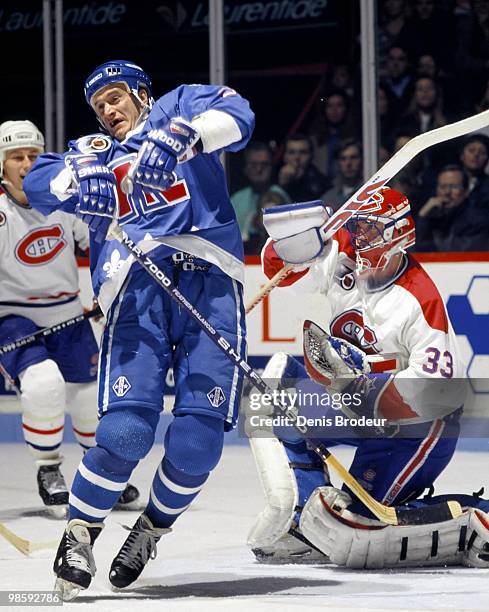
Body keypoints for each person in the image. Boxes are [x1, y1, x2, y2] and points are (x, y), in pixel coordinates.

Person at [24, 60, 254, 600]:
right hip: (136, 293)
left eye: (114, 96)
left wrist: (182, 137)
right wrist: (76, 176)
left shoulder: (180, 108)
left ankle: (150, 529)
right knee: (126, 431)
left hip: (212, 286)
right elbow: (38, 183)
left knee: (198, 442)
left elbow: (239, 115)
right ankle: (80, 533)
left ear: (142, 94)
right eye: (98, 104)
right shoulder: (93, 152)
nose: (107, 109)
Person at [245, 187, 489, 569]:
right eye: (357, 228)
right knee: (280, 407)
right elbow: (275, 268)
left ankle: (476, 513)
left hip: (418, 429)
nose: (359, 239)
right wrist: (297, 240)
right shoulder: (343, 253)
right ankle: (302, 526)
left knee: (363, 521)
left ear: (399, 237)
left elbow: (434, 393)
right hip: (361, 409)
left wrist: (357, 386)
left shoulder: (419, 299)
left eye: (371, 232)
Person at [0, 120, 139, 519]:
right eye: (16, 157)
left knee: (89, 400)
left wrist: (108, 286)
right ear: (2, 165)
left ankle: (101, 475)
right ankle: (49, 470)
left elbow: (103, 240)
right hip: (15, 318)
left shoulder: (63, 202)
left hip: (67, 313)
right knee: (44, 385)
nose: (26, 164)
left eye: (32, 155)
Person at [416, 164, 489, 251]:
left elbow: (451, 254)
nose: (447, 192)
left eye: (454, 187)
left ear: (466, 191)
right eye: (443, 187)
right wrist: (423, 216)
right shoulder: (432, 216)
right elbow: (413, 249)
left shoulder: (478, 220)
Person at [230, 141, 288, 244]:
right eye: (253, 164)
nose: (259, 169)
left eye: (264, 164)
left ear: (272, 167)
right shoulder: (236, 199)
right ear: (246, 168)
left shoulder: (280, 195)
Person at [277, 133, 329, 202]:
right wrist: (281, 185)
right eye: (291, 152)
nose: (297, 157)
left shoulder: (322, 184)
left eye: (303, 152)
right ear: (284, 156)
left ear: (311, 156)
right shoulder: (271, 177)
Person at [321, 139, 363, 211]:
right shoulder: (328, 199)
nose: (348, 163)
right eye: (343, 159)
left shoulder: (371, 192)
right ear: (338, 162)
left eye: (353, 157)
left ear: (362, 160)